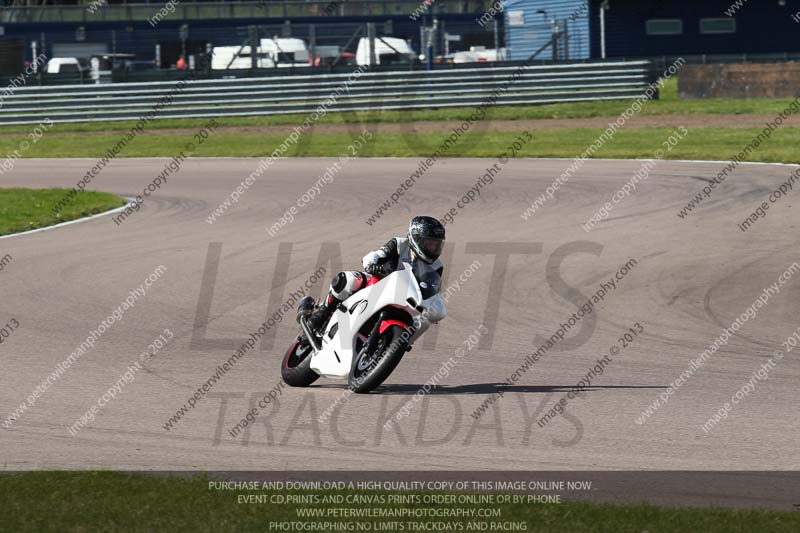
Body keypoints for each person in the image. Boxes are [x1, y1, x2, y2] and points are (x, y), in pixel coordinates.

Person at [305, 216, 446, 335]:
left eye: (437, 244)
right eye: (430, 243)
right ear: (416, 239)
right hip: (379, 283)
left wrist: (432, 307)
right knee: (349, 280)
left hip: (406, 299)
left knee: (418, 323)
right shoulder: (399, 244)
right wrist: (371, 264)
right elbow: (377, 255)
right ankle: (323, 313)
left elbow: (433, 291)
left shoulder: (437, 266)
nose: (434, 249)